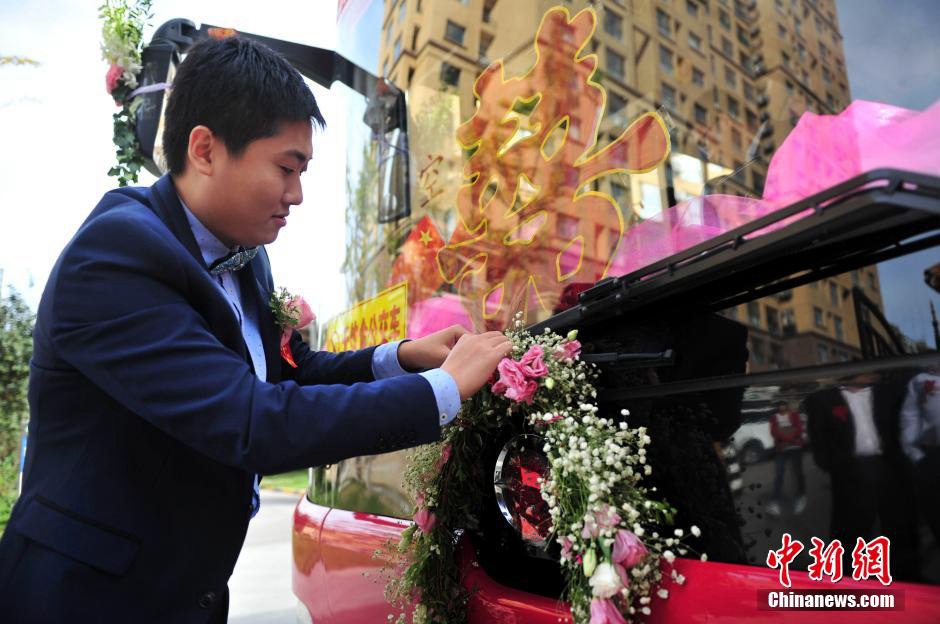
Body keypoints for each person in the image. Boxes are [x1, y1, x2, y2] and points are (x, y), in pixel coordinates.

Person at [0, 36, 510, 622]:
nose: (296, 195)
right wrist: (442, 391)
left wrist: (400, 357)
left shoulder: (244, 254)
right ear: (206, 149)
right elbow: (249, 418)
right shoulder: (116, 256)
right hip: (86, 596)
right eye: (285, 168)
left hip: (186, 591)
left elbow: (287, 372)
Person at [767, 400, 807, 516]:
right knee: (779, 474)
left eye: (784, 404)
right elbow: (774, 432)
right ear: (777, 406)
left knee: (798, 473)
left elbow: (799, 429)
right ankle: (774, 502)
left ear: (787, 405)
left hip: (795, 448)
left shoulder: (794, 415)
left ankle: (800, 496)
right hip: (781, 450)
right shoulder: (774, 418)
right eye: (779, 405)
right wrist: (789, 434)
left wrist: (786, 437)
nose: (782, 406)